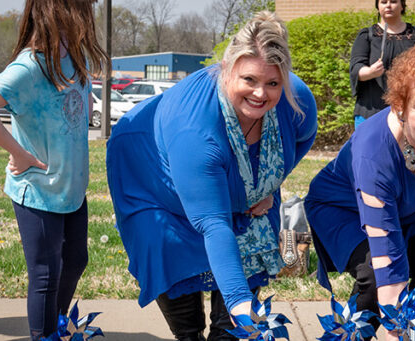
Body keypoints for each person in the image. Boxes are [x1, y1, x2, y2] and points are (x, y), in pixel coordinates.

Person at [106, 12, 317, 341]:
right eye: (249, 80)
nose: (261, 93)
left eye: (272, 83)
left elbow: (304, 138)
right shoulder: (196, 133)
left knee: (231, 330)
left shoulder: (296, 99)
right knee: (176, 271)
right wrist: (239, 302)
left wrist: (270, 185)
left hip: (230, 190)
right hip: (155, 184)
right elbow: (214, 224)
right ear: (226, 69)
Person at [305, 40, 415, 341]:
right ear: (400, 105)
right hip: (345, 208)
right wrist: (395, 319)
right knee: (374, 274)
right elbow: (388, 263)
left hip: (413, 206)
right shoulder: (373, 152)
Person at [0, 0, 107, 339]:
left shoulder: (78, 60)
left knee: (75, 261)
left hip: (72, 188)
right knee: (45, 274)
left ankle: (54, 327)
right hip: (38, 190)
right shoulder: (29, 66)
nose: (90, 14)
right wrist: (18, 151)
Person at [350, 0, 415, 127]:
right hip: (371, 111)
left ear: (402, 6)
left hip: (409, 112)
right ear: (378, 6)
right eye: (383, 2)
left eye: (393, 1)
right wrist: (370, 72)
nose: (388, 5)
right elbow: (356, 68)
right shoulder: (367, 35)